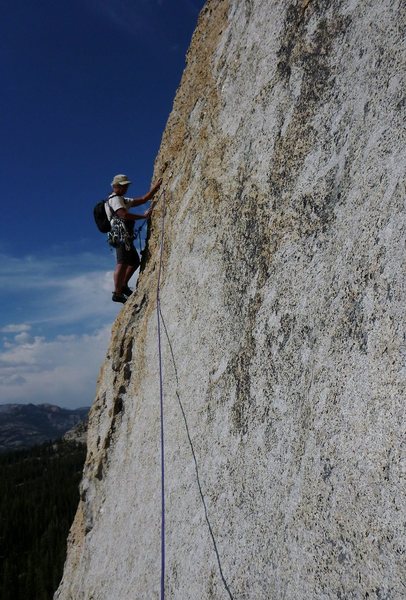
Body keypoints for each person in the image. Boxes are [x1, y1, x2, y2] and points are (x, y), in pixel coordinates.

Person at [106, 173, 162, 303]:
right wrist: (143, 217)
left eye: (126, 186)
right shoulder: (115, 199)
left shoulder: (123, 199)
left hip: (124, 235)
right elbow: (123, 215)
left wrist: (156, 187)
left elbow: (143, 199)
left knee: (135, 261)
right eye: (122, 186)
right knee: (122, 261)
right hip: (120, 235)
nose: (125, 189)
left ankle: (123, 285)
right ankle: (117, 292)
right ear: (115, 186)